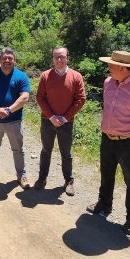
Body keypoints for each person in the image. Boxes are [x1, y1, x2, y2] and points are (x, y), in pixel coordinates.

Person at [86, 50, 130, 235]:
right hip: (107, 139)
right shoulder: (108, 83)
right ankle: (104, 204)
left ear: (122, 68)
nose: (108, 68)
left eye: (111, 65)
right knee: (106, 174)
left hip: (129, 143)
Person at [34, 47, 86, 196]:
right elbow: (40, 98)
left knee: (66, 153)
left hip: (66, 122)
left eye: (62, 57)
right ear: (53, 59)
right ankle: (42, 178)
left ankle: (68, 181)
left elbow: (80, 99)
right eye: (56, 57)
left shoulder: (76, 76)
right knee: (46, 150)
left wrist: (64, 117)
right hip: (47, 121)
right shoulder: (45, 76)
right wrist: (51, 116)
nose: (59, 60)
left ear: (67, 58)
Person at [0, 47, 32, 189]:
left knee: (17, 149)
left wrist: (9, 110)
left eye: (10, 58)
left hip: (14, 121)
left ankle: (21, 175)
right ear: (0, 60)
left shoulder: (21, 76)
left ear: (14, 60)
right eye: (4, 58)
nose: (7, 61)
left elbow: (25, 97)